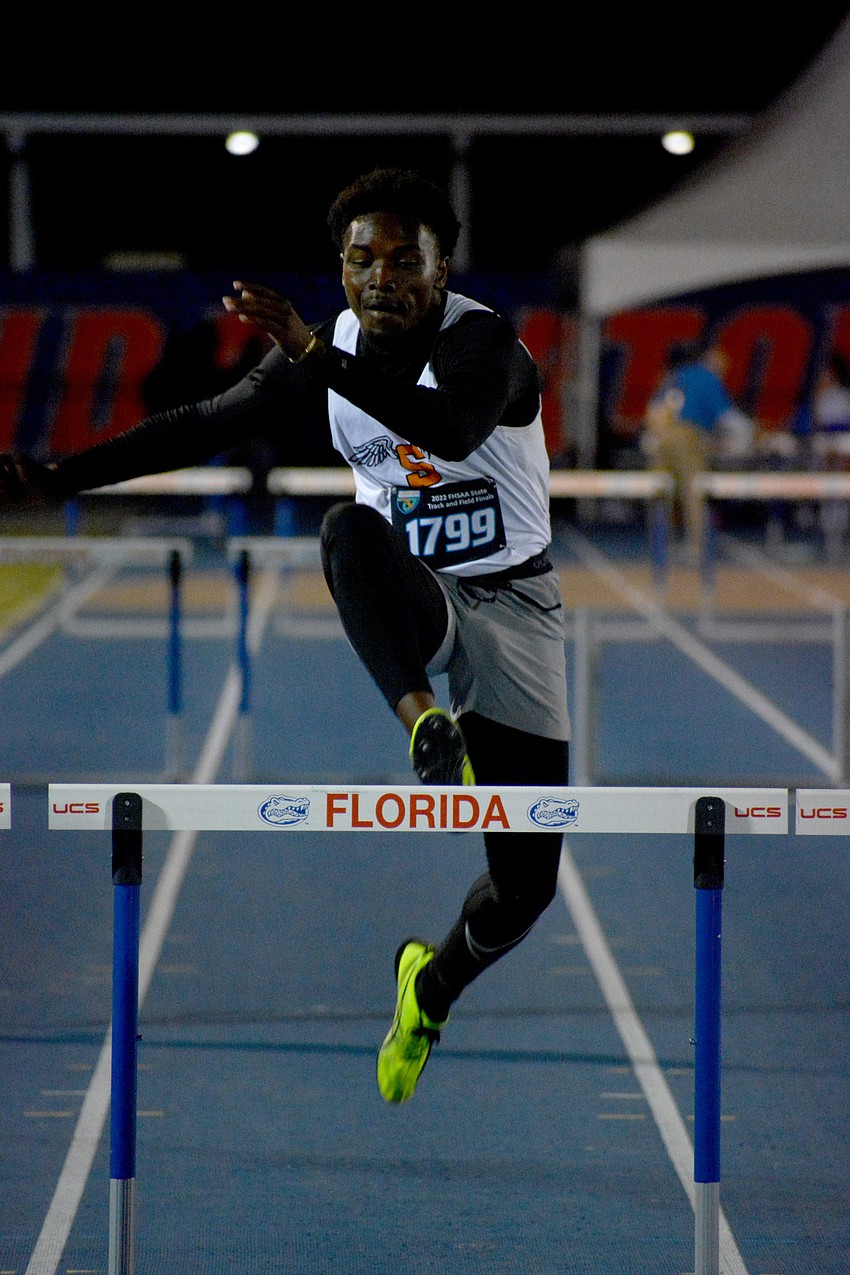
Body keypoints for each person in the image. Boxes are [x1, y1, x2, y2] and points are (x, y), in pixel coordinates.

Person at [0, 168, 570, 1104]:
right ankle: (425, 723)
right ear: (340, 269)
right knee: (347, 529)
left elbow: (453, 430)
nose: (381, 278)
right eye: (361, 260)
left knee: (526, 887)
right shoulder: (328, 347)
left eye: (405, 260)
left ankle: (428, 989)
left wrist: (314, 356)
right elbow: (200, 426)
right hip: (414, 594)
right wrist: (63, 476)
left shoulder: (483, 344)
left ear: (441, 268)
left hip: (512, 603)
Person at [643, 342, 755, 558]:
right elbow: (728, 418)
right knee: (693, 490)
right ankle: (696, 546)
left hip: (660, 437)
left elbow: (654, 409)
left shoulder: (677, 375)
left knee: (661, 490)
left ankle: (658, 546)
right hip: (686, 436)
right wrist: (752, 433)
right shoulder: (708, 378)